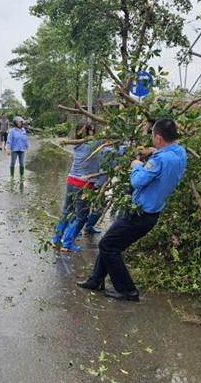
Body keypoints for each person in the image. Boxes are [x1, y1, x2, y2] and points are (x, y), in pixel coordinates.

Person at [76, 118, 187, 302]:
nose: (151, 139)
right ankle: (96, 280)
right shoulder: (179, 152)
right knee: (109, 241)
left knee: (108, 246)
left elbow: (137, 181)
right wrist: (151, 151)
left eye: (152, 136)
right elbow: (167, 153)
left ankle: (127, 290)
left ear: (158, 138)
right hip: (149, 213)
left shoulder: (158, 160)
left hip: (140, 214)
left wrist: (136, 165)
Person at [51, 122, 103, 252]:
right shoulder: (94, 145)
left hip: (71, 180)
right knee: (82, 216)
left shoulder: (77, 144)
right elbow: (108, 137)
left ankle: (56, 240)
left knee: (66, 212)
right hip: (83, 184)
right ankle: (67, 243)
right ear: (90, 132)